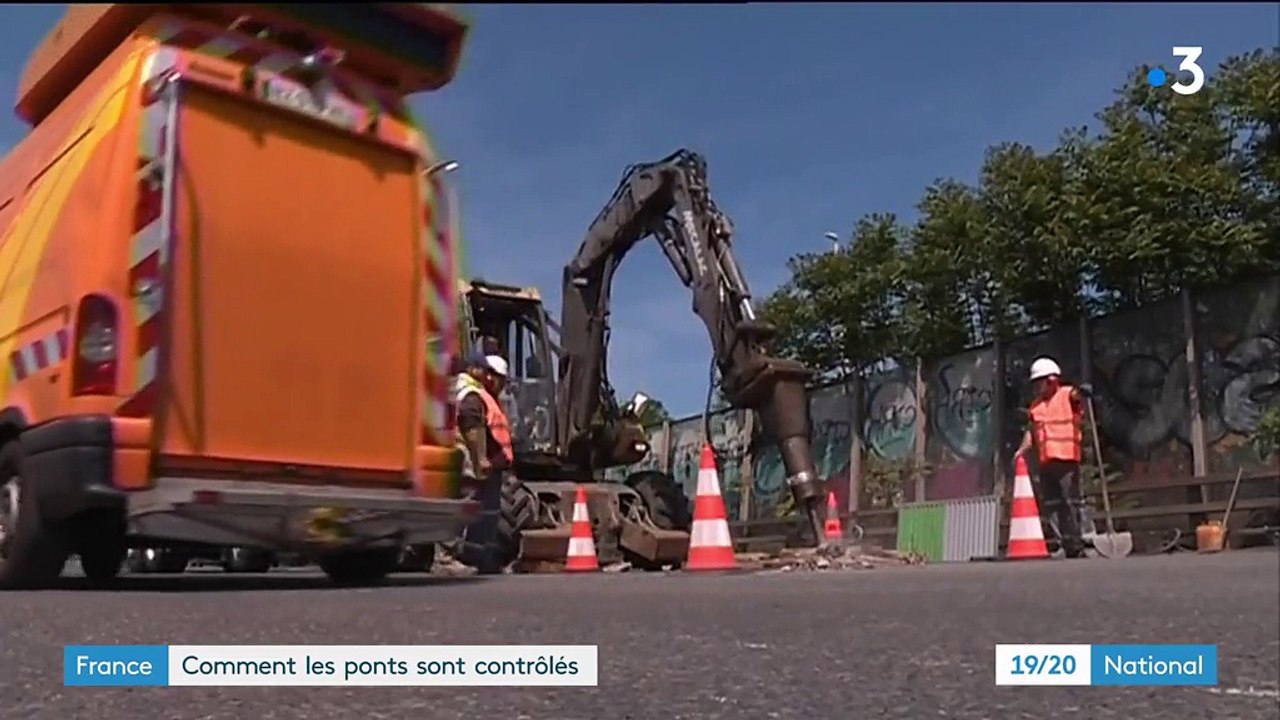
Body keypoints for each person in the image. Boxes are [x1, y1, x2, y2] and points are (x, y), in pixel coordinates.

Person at [1015, 356, 1094, 559]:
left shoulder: (1067, 395)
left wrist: (1084, 392)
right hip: (1046, 460)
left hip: (1066, 459)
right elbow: (1032, 431)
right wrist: (1022, 450)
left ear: (1051, 379)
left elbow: (1078, 397)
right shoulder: (1036, 406)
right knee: (1051, 503)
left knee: (1070, 501)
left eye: (1040, 382)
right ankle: (1063, 542)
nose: (1037, 387)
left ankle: (1075, 543)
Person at [453, 351, 514, 573]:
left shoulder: (487, 397)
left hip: (490, 465)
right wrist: (481, 458)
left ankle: (480, 558)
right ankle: (450, 557)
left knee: (487, 514)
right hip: (472, 463)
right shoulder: (471, 394)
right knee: (465, 507)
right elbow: (472, 426)